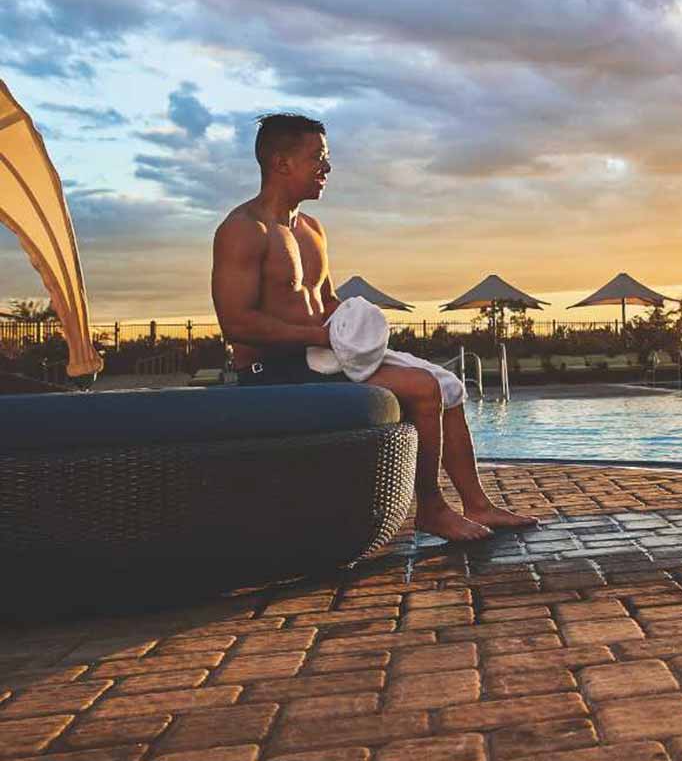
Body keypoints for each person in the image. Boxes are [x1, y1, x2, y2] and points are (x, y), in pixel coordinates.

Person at [211, 113, 538, 541]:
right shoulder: (244, 230)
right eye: (318, 158)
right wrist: (321, 336)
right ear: (281, 163)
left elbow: (326, 301)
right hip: (275, 371)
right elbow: (235, 323)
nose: (326, 169)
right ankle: (431, 510)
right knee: (423, 389)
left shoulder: (311, 230)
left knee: (449, 385)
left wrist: (358, 328)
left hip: (323, 354)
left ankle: (478, 504)